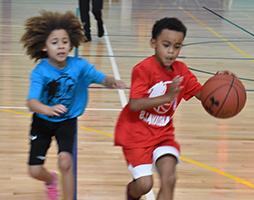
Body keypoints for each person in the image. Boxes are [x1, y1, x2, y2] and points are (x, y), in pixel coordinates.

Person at [20, 10, 125, 200]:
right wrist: (48, 109)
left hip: (66, 121)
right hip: (42, 122)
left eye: (64, 42)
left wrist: (113, 81)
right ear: (44, 47)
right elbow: (31, 102)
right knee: (34, 170)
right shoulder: (40, 71)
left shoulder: (80, 66)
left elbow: (100, 77)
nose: (60, 46)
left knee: (65, 162)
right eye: (55, 42)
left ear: (71, 44)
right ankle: (50, 180)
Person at [114, 17, 212, 200]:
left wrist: (221, 81)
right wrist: (167, 97)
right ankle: (131, 193)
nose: (171, 52)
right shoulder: (142, 69)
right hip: (136, 134)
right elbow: (135, 104)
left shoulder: (181, 70)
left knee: (169, 179)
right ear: (153, 43)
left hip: (163, 134)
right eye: (166, 45)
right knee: (145, 185)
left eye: (177, 46)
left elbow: (203, 94)